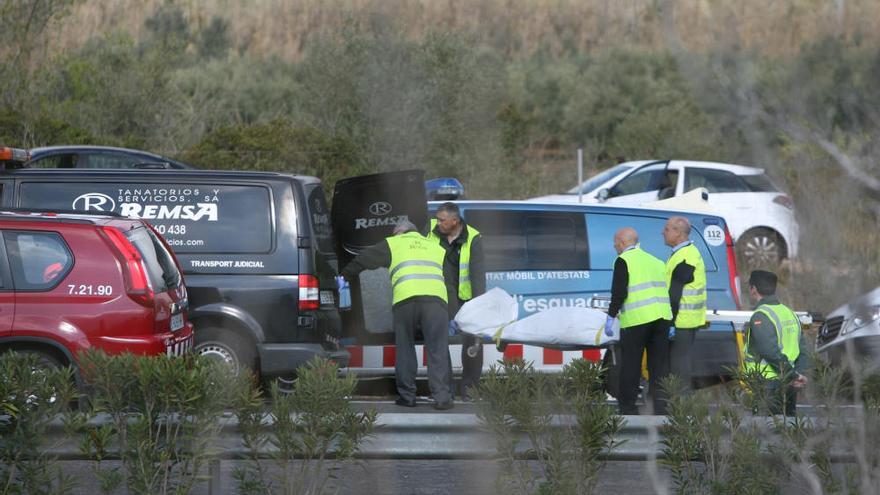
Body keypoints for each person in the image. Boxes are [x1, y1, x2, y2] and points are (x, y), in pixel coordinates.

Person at [341, 220, 454, 410]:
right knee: (438, 349)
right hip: (436, 302)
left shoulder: (394, 243)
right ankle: (442, 397)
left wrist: (343, 276)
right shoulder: (436, 247)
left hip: (406, 301)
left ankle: (408, 396)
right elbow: (449, 281)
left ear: (399, 231)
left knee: (405, 348)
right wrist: (450, 312)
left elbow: (363, 259)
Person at [605, 227, 673, 415]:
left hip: (637, 320)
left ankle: (628, 407)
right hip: (662, 319)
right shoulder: (656, 261)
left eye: (615, 242)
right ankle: (660, 407)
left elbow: (619, 293)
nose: (614, 246)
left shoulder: (623, 260)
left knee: (631, 365)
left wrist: (610, 316)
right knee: (658, 366)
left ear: (622, 242)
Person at [427, 202, 486, 401]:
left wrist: (478, 306)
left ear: (455, 221)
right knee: (440, 345)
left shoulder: (473, 238)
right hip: (438, 298)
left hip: (465, 300)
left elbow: (478, 275)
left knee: (473, 345)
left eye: (442, 220)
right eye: (437, 218)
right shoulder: (431, 231)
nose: (438, 222)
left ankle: (470, 389)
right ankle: (446, 389)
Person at [743, 270, 808, 416]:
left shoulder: (761, 315)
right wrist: (800, 375)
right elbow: (803, 349)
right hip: (790, 383)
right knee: (787, 428)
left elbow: (770, 352)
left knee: (766, 432)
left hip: (768, 384)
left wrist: (792, 376)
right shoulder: (790, 313)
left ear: (754, 289)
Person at [662, 216, 706, 391]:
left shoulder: (685, 257)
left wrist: (670, 322)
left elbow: (675, 293)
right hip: (686, 320)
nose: (662, 232)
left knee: (679, 367)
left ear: (677, 232)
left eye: (666, 229)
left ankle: (681, 409)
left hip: (681, 321)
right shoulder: (686, 253)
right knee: (680, 365)